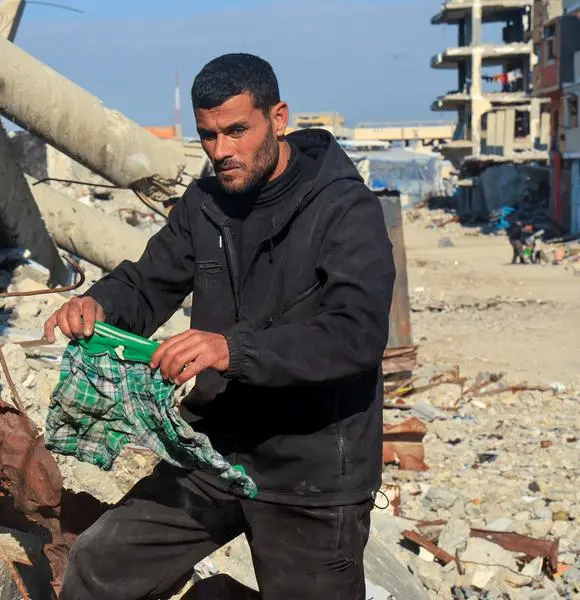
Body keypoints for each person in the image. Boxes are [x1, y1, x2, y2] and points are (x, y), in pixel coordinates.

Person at [45, 53, 396, 599]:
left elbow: (356, 334)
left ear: (278, 119)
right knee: (98, 566)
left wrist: (233, 349)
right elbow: (146, 283)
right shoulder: (203, 205)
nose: (222, 151)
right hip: (213, 447)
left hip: (313, 470)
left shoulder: (345, 209)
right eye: (208, 136)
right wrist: (98, 305)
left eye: (237, 130)